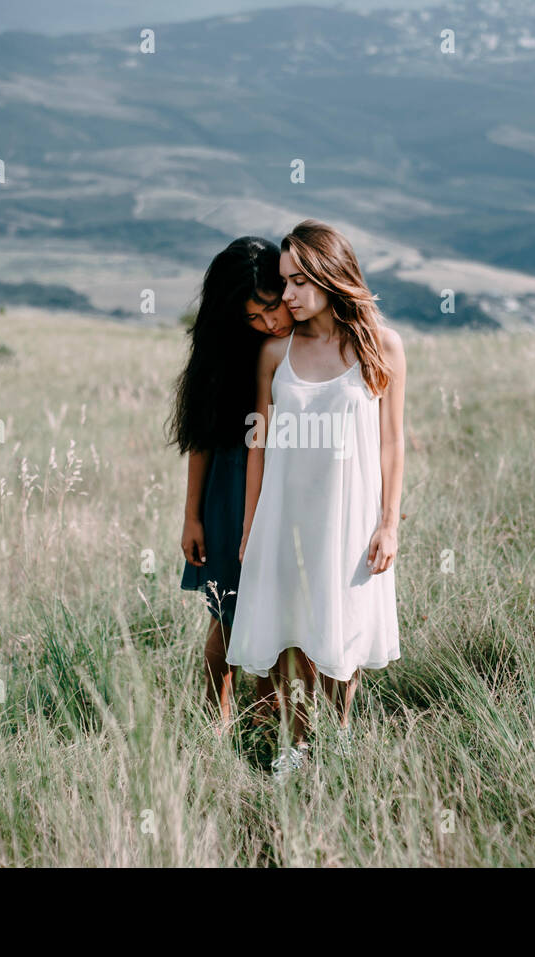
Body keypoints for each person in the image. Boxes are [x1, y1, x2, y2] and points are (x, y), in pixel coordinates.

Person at [228, 220, 406, 777]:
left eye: (301, 281)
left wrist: (389, 524)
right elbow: (257, 444)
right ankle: (298, 745)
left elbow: (392, 440)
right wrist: (251, 524)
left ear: (332, 276)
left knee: (342, 629)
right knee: (294, 630)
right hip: (286, 514)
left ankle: (340, 743)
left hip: (349, 515)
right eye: (285, 281)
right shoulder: (275, 354)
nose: (288, 295)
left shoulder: (380, 345)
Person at [168, 237, 294, 733]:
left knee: (278, 608)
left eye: (271, 307)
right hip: (229, 489)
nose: (270, 323)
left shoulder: (303, 337)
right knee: (228, 609)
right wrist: (191, 515)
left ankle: (268, 715)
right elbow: (202, 439)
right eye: (254, 317)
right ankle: (216, 720)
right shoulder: (224, 353)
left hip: (285, 483)